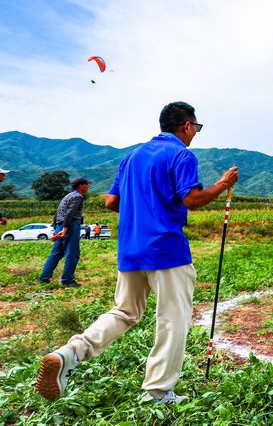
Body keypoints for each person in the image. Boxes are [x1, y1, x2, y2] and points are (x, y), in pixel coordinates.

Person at [35, 101, 239, 404]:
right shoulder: (181, 154)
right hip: (166, 249)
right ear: (186, 126)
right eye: (196, 127)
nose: (195, 133)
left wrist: (141, 207)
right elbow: (193, 200)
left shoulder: (132, 157)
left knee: (124, 311)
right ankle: (157, 392)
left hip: (131, 248)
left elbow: (111, 201)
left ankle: (70, 353)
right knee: (173, 318)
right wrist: (222, 184)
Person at [38, 177, 91, 287]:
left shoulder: (67, 196)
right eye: (86, 184)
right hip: (70, 225)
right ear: (80, 185)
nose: (88, 186)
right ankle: (67, 280)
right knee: (72, 253)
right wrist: (65, 228)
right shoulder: (78, 196)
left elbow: (57, 213)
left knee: (56, 253)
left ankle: (44, 277)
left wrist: (57, 227)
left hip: (59, 224)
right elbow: (70, 213)